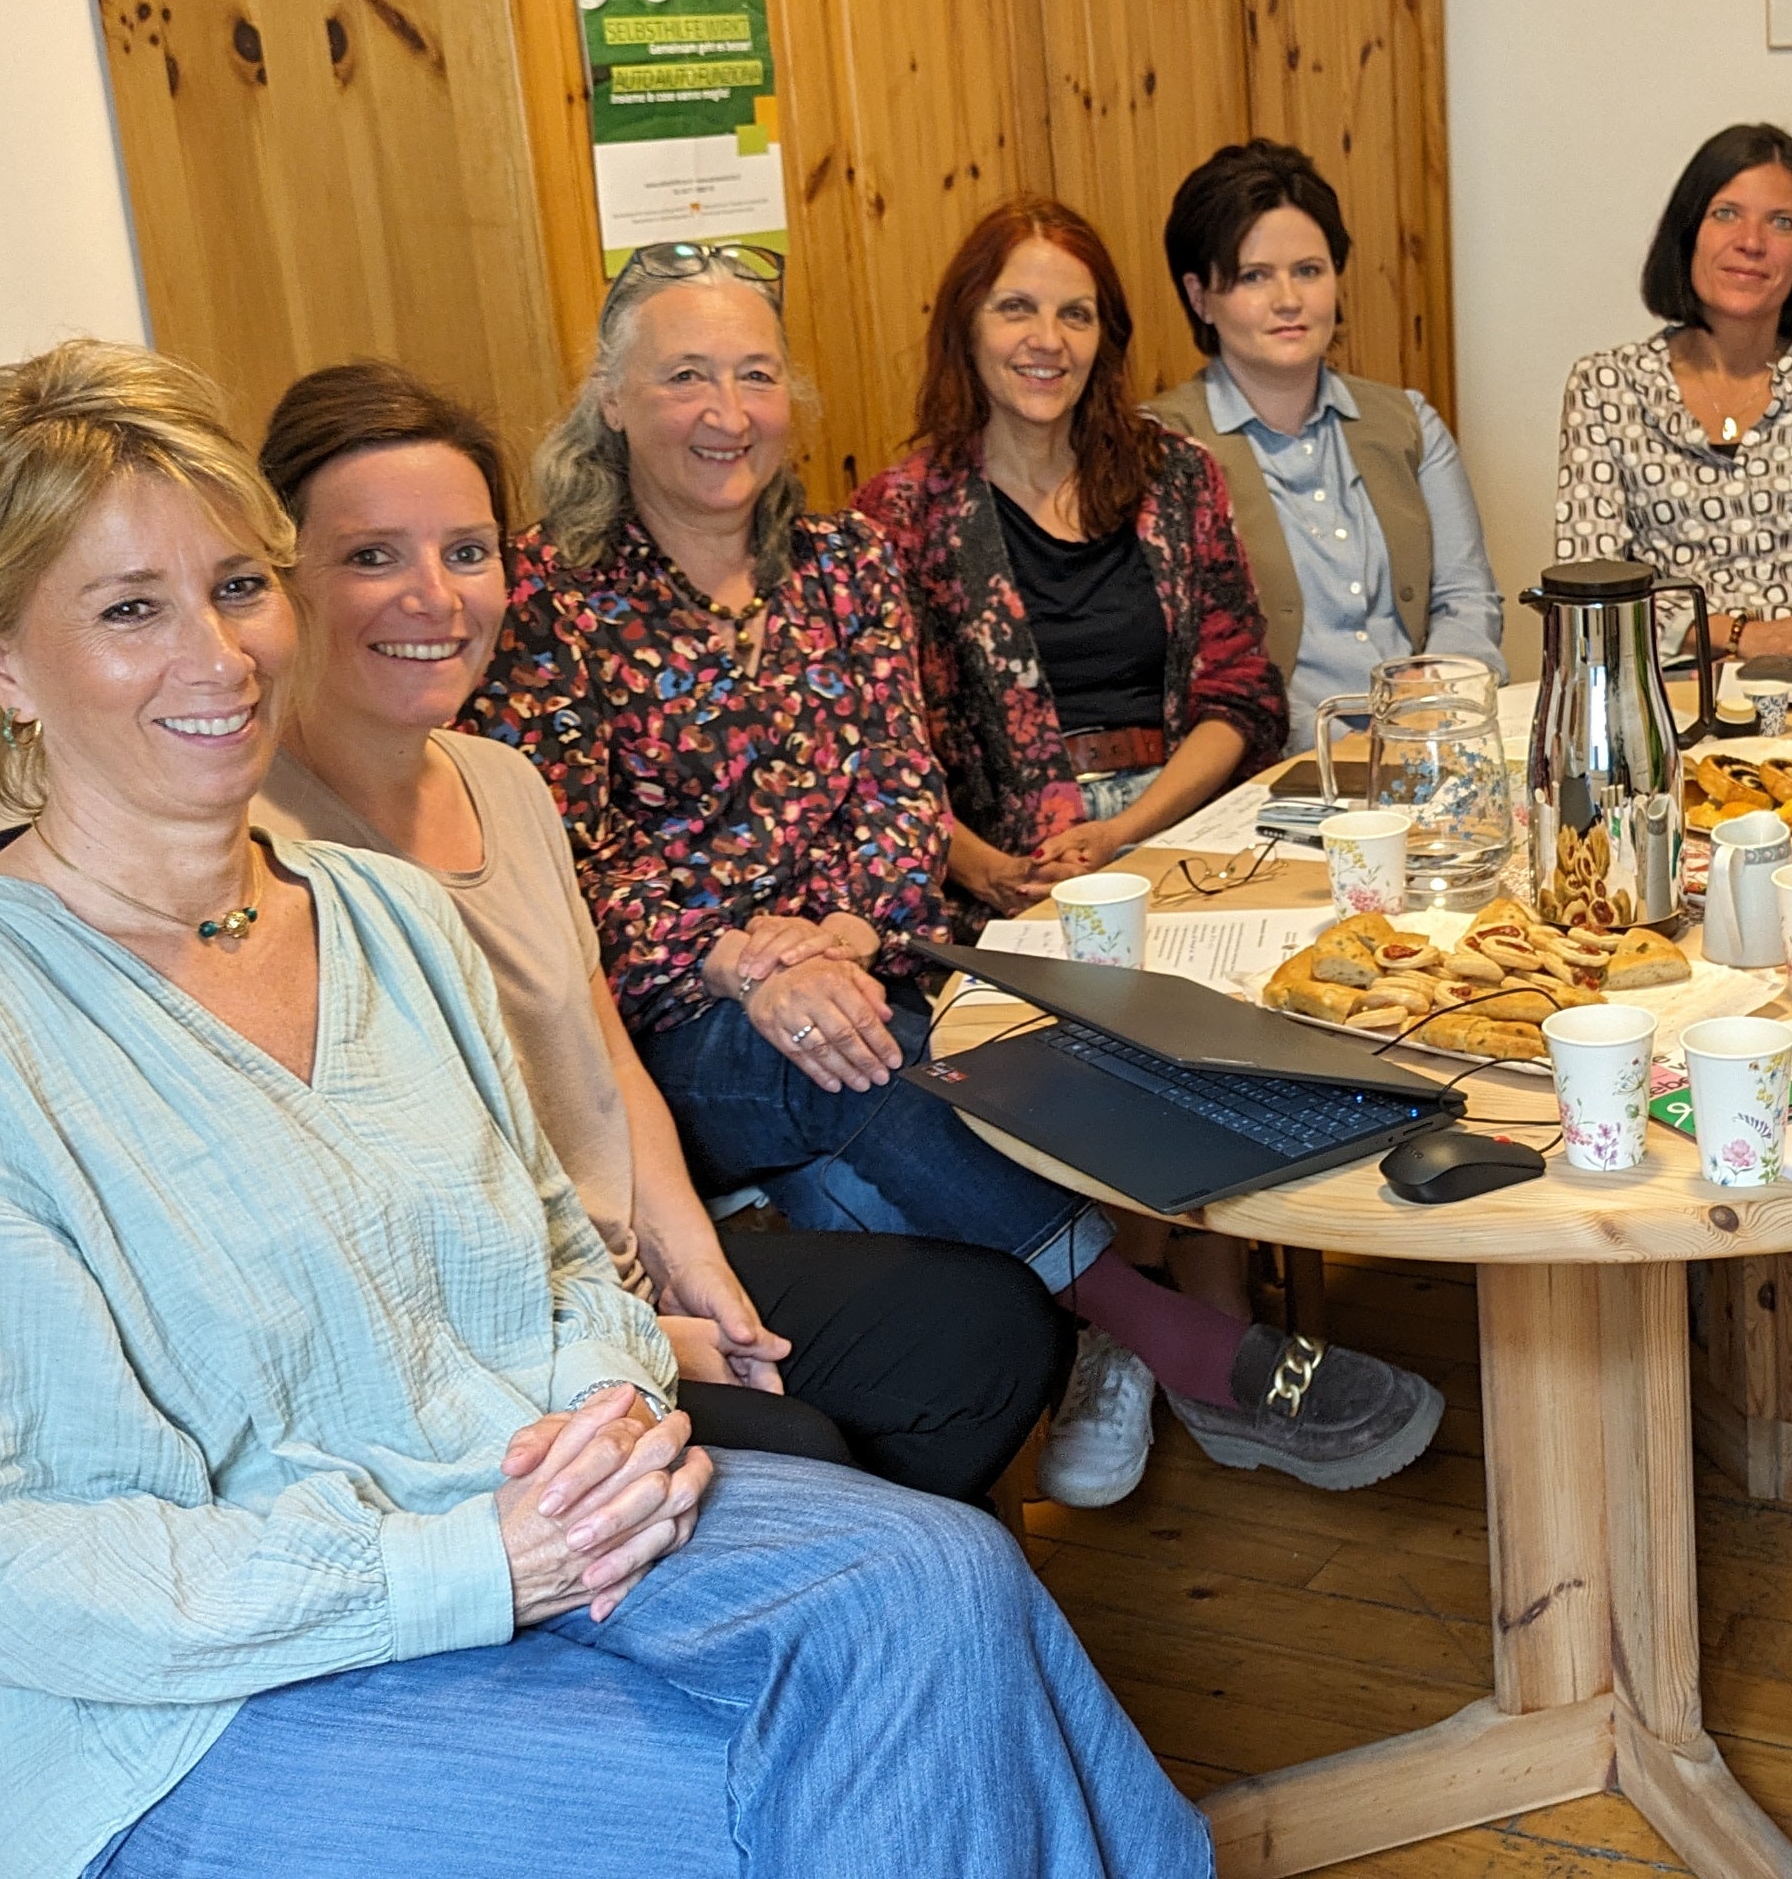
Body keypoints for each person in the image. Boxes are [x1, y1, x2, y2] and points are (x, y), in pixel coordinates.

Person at [0, 340, 1204, 1879]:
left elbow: (563, 1255)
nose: (220, 657)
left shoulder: (390, 923)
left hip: (525, 1534)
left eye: (240, 587)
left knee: (949, 1584)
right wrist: (459, 1571)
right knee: (801, 1774)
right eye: (129, 610)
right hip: (196, 1712)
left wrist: (611, 1409)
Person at [469, 242, 1434, 1512]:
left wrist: (837, 942)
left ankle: (1065, 1369)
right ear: (610, 399)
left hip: (865, 969)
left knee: (888, 1071)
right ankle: (1182, 1344)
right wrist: (741, 963)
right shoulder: (546, 598)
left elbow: (900, 793)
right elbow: (560, 869)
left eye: (755, 375)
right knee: (822, 1056)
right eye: (685, 377)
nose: (726, 413)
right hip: (667, 1030)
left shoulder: (843, 566)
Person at [256, 360, 1066, 1506]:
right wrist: (623, 1335)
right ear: (276, 577)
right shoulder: (266, 846)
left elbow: (604, 1066)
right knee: (807, 1458)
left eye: (467, 552)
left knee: (991, 1337)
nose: (433, 597)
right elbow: (376, 1239)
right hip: (482, 1338)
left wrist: (692, 1270)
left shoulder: (501, 782)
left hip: (617, 1263)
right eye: (371, 556)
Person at [862, 198, 1288, 906]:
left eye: (1075, 315)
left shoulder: (1178, 478)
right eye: (1017, 309)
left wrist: (1124, 830)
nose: (1047, 340)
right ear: (967, 325)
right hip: (1005, 868)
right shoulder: (899, 516)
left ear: (1104, 338)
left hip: (1187, 833)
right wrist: (986, 871)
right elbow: (881, 753)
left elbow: (1239, 692)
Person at [1146, 140, 1504, 747]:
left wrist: (1425, 708)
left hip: (1427, 744)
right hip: (1269, 770)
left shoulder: (1408, 422)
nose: (1289, 300)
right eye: (1253, 276)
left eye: (1309, 271)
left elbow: (1467, 600)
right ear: (1199, 295)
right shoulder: (1162, 448)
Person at [1550, 122, 1792, 661]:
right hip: (1669, 696)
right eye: (1725, 214)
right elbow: (1591, 584)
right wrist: (1743, 637)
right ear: (1688, 234)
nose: (1750, 243)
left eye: (1781, 223)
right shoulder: (1606, 386)